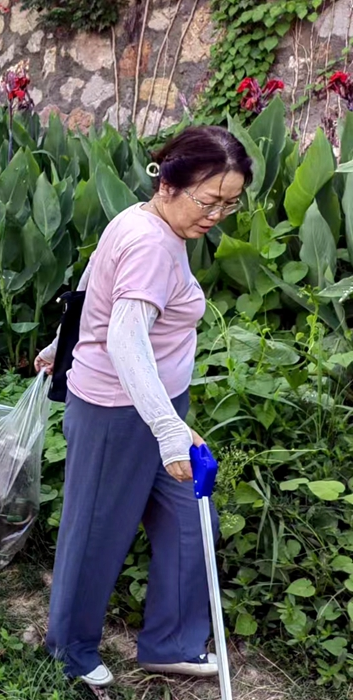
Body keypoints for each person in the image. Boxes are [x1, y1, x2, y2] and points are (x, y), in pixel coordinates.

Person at [34, 126, 251, 688]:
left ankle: (170, 643)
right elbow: (125, 337)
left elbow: (91, 281)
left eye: (230, 203)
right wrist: (166, 428)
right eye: (210, 201)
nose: (217, 215)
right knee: (97, 532)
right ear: (172, 184)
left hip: (158, 409)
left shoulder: (141, 220)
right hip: (117, 411)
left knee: (190, 518)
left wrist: (60, 343)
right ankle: (70, 651)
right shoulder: (153, 241)